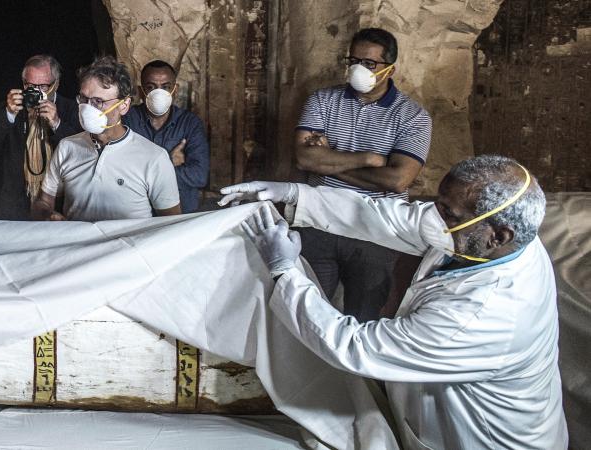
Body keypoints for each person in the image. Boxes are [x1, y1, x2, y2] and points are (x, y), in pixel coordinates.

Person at [219, 154, 567, 449]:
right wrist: (296, 195)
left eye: (448, 214)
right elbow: (389, 218)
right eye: (438, 204)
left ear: (498, 236)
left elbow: (352, 346)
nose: (433, 216)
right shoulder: (489, 240)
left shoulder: (487, 314)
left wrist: (283, 271)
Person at [293, 28, 433, 322]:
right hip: (319, 220)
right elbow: (305, 158)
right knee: (308, 311)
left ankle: (355, 370)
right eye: (354, 60)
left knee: (365, 315)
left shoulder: (412, 116)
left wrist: (330, 160)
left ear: (390, 68)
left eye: (369, 63)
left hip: (375, 229)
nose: (359, 69)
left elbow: (398, 180)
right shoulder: (322, 100)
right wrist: (368, 160)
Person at [31, 57, 180, 222]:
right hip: (77, 245)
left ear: (124, 106)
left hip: (127, 247)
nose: (87, 108)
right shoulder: (67, 147)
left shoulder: (154, 158)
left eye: (98, 101)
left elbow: (171, 224)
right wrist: (48, 215)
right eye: (83, 99)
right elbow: (43, 202)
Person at [0, 54, 81, 219]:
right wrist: (8, 114)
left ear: (56, 84)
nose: (35, 91)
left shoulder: (71, 109)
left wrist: (56, 124)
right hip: (16, 207)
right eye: (30, 85)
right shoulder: (12, 108)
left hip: (59, 206)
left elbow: (82, 155)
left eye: (43, 86)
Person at [121, 60, 209, 213]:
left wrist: (145, 173)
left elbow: (199, 176)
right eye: (151, 87)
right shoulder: (127, 120)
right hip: (137, 215)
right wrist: (169, 162)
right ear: (141, 92)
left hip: (180, 215)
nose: (159, 93)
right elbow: (118, 171)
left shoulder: (190, 123)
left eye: (166, 87)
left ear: (175, 91)